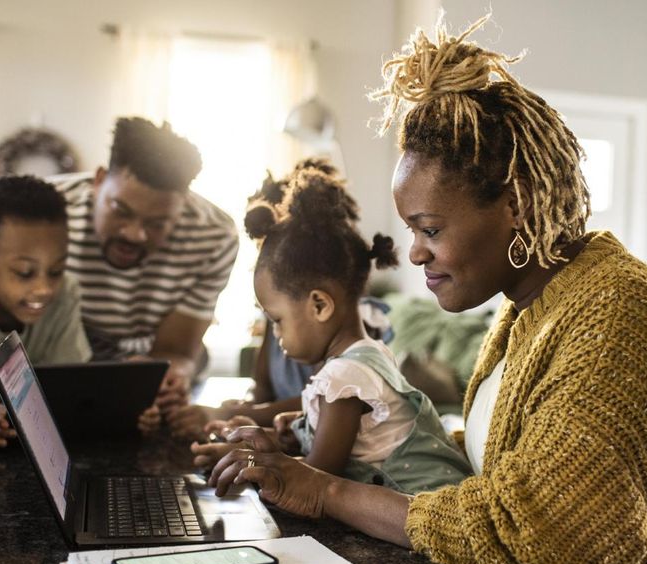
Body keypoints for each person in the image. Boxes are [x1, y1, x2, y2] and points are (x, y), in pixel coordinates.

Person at [206, 16, 647, 564]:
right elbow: (502, 463)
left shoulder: (619, 310)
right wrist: (359, 441)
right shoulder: (526, 311)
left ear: (516, 203)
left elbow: (550, 538)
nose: (414, 253)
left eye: (430, 229)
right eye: (412, 230)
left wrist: (325, 490)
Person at [197, 168, 470, 494]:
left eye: (277, 320)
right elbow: (361, 442)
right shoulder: (366, 356)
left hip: (424, 515)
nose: (275, 334)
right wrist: (291, 430)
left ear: (319, 306)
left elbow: (315, 479)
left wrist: (249, 461)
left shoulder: (344, 377)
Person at [51, 118, 239, 434]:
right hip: (62, 358)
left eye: (157, 224)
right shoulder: (48, 212)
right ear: (98, 181)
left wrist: (165, 376)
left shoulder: (214, 235)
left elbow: (178, 350)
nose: (135, 235)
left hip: (149, 360)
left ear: (182, 206)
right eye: (121, 211)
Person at [182, 160, 394, 438]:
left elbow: (329, 402)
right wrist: (244, 414)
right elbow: (263, 390)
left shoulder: (355, 334)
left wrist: (234, 416)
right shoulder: (281, 317)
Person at [0, 175, 91, 450]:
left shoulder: (66, 293)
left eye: (56, 271)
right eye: (24, 273)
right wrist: (2, 417)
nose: (44, 289)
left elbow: (67, 390)